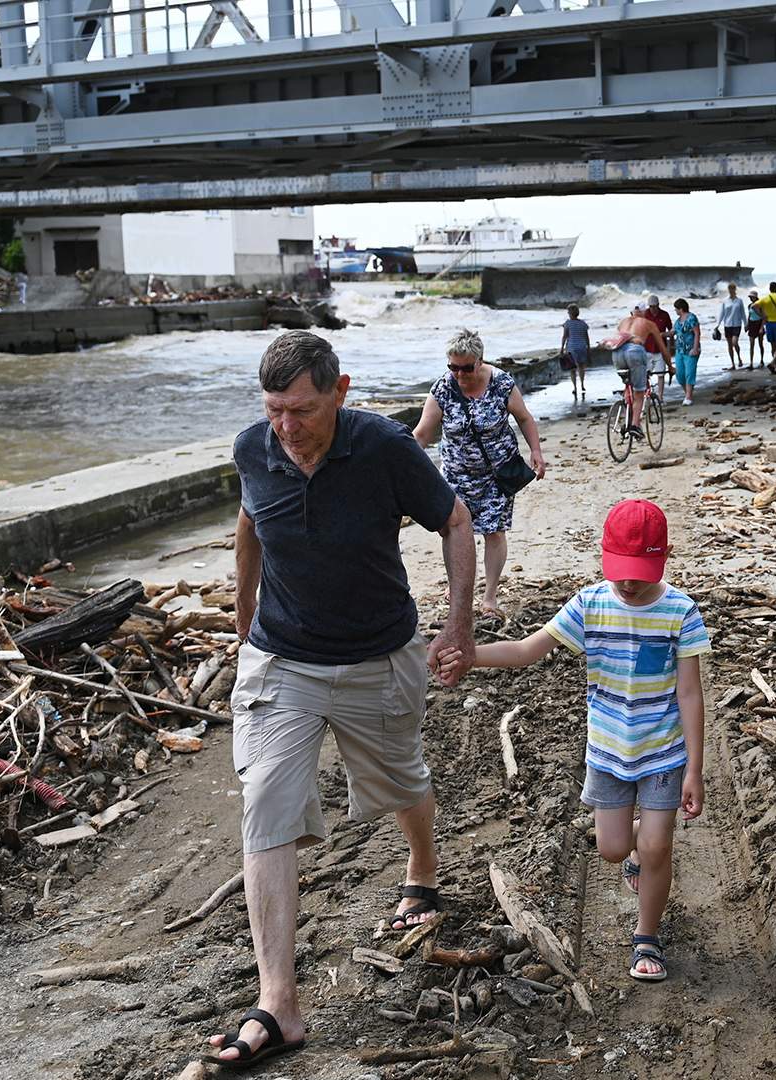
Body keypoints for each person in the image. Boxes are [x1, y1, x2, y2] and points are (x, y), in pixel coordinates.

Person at [210, 330, 477, 1069]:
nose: (286, 429)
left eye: (301, 410)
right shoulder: (252, 448)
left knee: (402, 783)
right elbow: (249, 526)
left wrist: (459, 621)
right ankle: (278, 1005)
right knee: (265, 803)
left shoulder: (385, 447)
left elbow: (455, 520)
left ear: (341, 390)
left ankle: (421, 866)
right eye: (273, 411)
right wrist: (244, 622)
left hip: (376, 658)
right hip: (281, 661)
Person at [440, 498, 707, 982]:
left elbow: (690, 692)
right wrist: (469, 656)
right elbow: (526, 651)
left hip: (663, 752)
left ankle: (647, 937)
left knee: (657, 847)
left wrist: (694, 768)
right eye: (621, 570)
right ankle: (633, 861)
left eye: (640, 571)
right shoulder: (590, 604)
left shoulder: (680, 612)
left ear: (663, 559)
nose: (628, 582)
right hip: (608, 752)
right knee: (612, 847)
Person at [414, 328, 548, 621]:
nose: (459, 374)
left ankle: (489, 596)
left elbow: (524, 418)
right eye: (453, 367)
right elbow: (422, 433)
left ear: (480, 360)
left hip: (497, 474)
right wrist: (398, 461)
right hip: (456, 474)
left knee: (493, 531)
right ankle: (459, 587)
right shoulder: (442, 389)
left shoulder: (501, 383)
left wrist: (536, 451)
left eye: (466, 367)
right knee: (453, 530)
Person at [600, 305, 667, 442]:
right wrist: (671, 367)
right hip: (635, 352)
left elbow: (620, 338)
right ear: (644, 312)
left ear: (631, 312)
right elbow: (662, 348)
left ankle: (625, 414)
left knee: (628, 384)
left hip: (617, 353)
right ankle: (635, 425)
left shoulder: (623, 322)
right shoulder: (648, 323)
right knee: (639, 391)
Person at [670, 298, 701, 406]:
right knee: (680, 374)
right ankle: (688, 393)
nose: (675, 311)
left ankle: (688, 396)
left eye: (676, 309)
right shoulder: (678, 321)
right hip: (680, 350)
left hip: (691, 350)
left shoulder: (691, 318)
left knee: (689, 373)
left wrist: (695, 348)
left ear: (681, 309)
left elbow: (697, 333)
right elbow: (673, 332)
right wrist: (660, 334)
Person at [559, 304, 590, 400]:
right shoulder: (583, 324)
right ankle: (582, 385)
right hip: (582, 347)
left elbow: (565, 336)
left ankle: (575, 388)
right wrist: (588, 347)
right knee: (581, 367)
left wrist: (562, 348)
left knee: (572, 369)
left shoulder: (567, 324)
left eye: (568, 312)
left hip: (572, 348)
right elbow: (586, 337)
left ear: (570, 313)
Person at [717, 283, 746, 369]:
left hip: (737, 324)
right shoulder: (725, 301)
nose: (731, 291)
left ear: (735, 290)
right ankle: (733, 364)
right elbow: (721, 313)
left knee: (734, 342)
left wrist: (746, 324)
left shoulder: (739, 301)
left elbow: (743, 313)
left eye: (732, 289)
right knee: (729, 345)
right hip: (727, 324)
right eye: (730, 289)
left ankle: (739, 358)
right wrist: (717, 324)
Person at [744, 290, 765, 367]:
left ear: (755, 297)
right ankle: (751, 363)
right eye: (750, 297)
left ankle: (762, 360)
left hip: (759, 324)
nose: (750, 298)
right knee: (751, 344)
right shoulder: (750, 306)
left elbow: (764, 317)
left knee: (760, 344)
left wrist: (762, 328)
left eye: (751, 297)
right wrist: (747, 325)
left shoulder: (760, 305)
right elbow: (749, 316)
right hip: (752, 324)